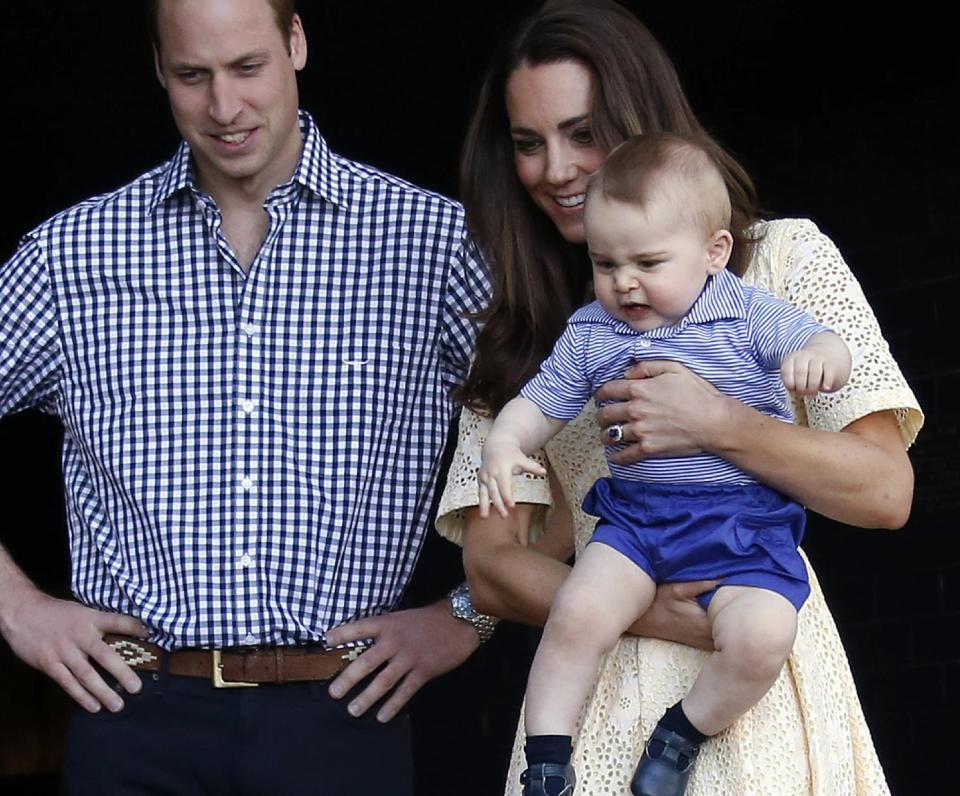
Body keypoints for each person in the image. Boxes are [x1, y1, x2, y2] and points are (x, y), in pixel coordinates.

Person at [0, 1, 490, 793]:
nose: (224, 108)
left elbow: (573, 446)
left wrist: (468, 614)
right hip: (134, 717)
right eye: (193, 75)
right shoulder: (71, 258)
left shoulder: (431, 246)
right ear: (159, 69)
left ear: (296, 43)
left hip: (343, 718)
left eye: (247, 68)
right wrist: (17, 609)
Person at [436, 0, 922, 794]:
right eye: (529, 143)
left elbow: (885, 491)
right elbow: (494, 568)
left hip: (753, 672)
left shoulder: (783, 262)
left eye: (582, 132)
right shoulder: (531, 323)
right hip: (600, 666)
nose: (555, 168)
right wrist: (656, 611)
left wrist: (720, 422)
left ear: (642, 120)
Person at [479, 132, 851, 796]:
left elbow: (821, 340)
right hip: (639, 526)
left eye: (648, 262)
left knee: (766, 635)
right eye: (604, 263)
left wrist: (821, 357)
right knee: (578, 611)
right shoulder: (594, 330)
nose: (625, 282)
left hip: (742, 529)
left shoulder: (741, 311)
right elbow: (537, 404)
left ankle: (683, 732)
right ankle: (546, 758)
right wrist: (505, 444)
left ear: (714, 253)